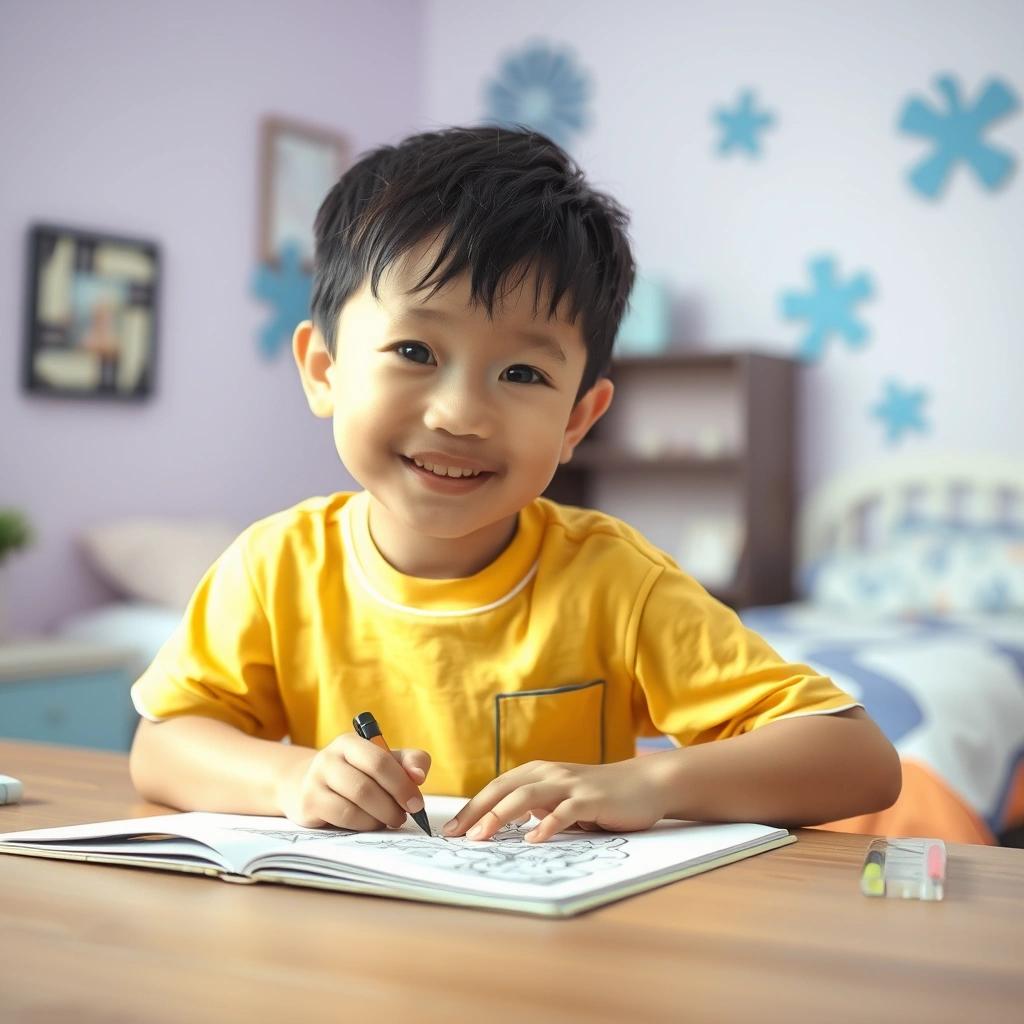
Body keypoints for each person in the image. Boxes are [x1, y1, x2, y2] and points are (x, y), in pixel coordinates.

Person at [129, 126, 901, 845]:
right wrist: (291, 777)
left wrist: (654, 779)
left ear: (578, 420)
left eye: (523, 373)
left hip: (555, 969)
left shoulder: (615, 582)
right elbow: (161, 746)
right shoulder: (275, 567)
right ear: (324, 370)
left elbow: (859, 758)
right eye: (414, 349)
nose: (461, 414)